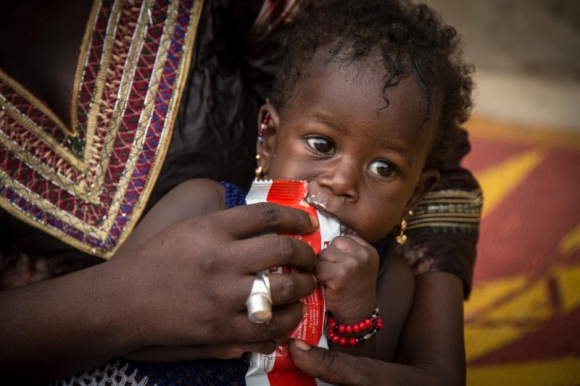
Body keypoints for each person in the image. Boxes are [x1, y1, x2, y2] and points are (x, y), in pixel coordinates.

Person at [0, 0, 481, 385]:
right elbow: (124, 328)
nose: (342, 181)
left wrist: (355, 312)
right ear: (269, 137)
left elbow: (362, 371)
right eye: (321, 145)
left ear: (417, 193)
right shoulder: (203, 203)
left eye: (383, 168)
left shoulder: (389, 279)